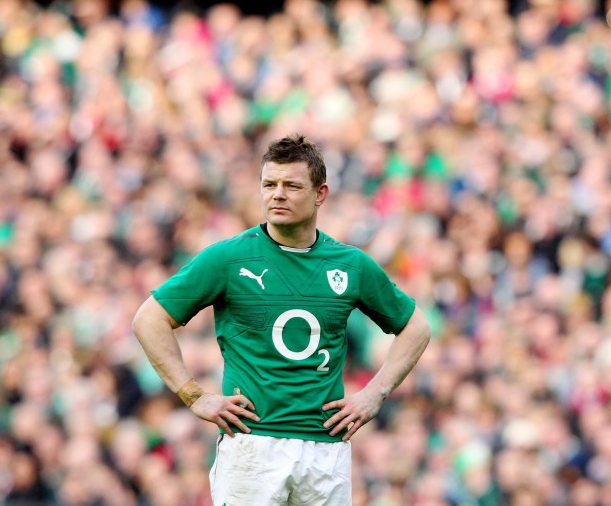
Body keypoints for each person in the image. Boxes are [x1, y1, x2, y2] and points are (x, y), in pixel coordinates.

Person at [132, 133, 432, 505]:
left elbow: (416, 326)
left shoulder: (351, 265)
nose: (277, 194)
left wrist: (375, 393)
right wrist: (193, 395)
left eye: (291, 185)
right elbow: (149, 320)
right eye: (269, 184)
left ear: (320, 193)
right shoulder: (228, 258)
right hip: (252, 446)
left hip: (326, 449)